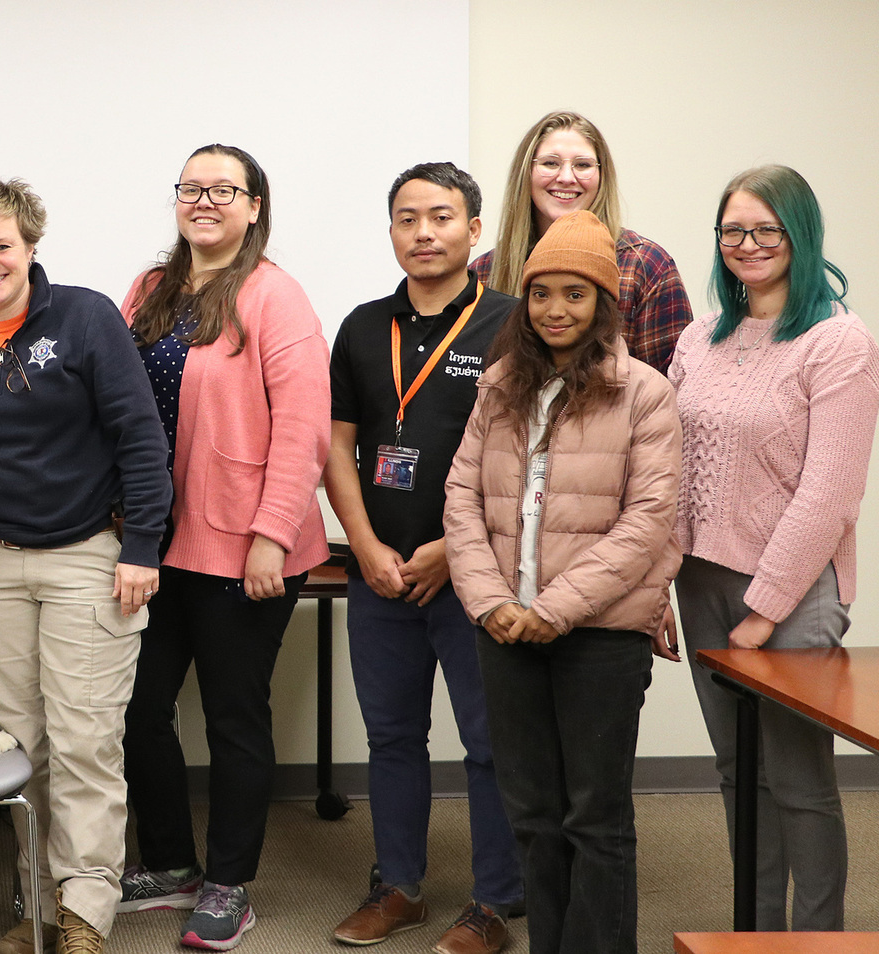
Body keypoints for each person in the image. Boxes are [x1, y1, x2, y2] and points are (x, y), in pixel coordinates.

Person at [0, 176, 170, 954]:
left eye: (2, 246)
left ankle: (85, 916)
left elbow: (141, 437)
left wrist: (142, 547)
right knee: (24, 748)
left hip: (89, 558)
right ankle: (39, 907)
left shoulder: (86, 318)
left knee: (85, 744)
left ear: (30, 246)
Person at [444, 210, 682, 953]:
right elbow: (461, 498)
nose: (555, 309)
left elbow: (648, 522)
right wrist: (491, 604)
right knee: (533, 818)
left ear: (603, 303)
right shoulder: (499, 387)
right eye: (541, 293)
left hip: (600, 636)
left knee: (595, 822)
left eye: (575, 294)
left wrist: (552, 609)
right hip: (505, 631)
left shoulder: (644, 394)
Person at [116, 144, 329, 952]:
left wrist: (272, 536)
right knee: (139, 708)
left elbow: (305, 430)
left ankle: (229, 885)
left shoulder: (276, 296)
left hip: (245, 548)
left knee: (235, 717)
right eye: (191, 188)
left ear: (254, 206)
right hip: (154, 542)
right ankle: (171, 862)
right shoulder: (148, 289)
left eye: (223, 190)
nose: (203, 201)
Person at [670, 164, 879, 932]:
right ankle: (753, 934)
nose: (749, 243)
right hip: (700, 582)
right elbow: (671, 469)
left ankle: (817, 941)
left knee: (798, 782)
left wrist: (762, 611)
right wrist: (657, 581)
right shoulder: (701, 336)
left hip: (792, 595)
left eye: (767, 229)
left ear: (800, 235)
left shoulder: (839, 342)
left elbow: (829, 496)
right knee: (738, 773)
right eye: (733, 230)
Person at [323, 162, 522, 954]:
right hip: (379, 574)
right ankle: (399, 888)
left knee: (489, 742)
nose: (424, 233)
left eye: (441, 217)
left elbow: (523, 456)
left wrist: (453, 549)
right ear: (392, 232)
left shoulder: (512, 323)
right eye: (407, 219)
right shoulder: (363, 327)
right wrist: (366, 545)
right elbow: (337, 446)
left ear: (473, 230)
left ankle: (494, 902)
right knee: (392, 738)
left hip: (476, 575)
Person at [472, 110, 691, 373]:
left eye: (583, 165)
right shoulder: (484, 272)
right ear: (525, 173)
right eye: (550, 163)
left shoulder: (646, 266)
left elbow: (670, 384)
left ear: (602, 175)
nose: (566, 177)